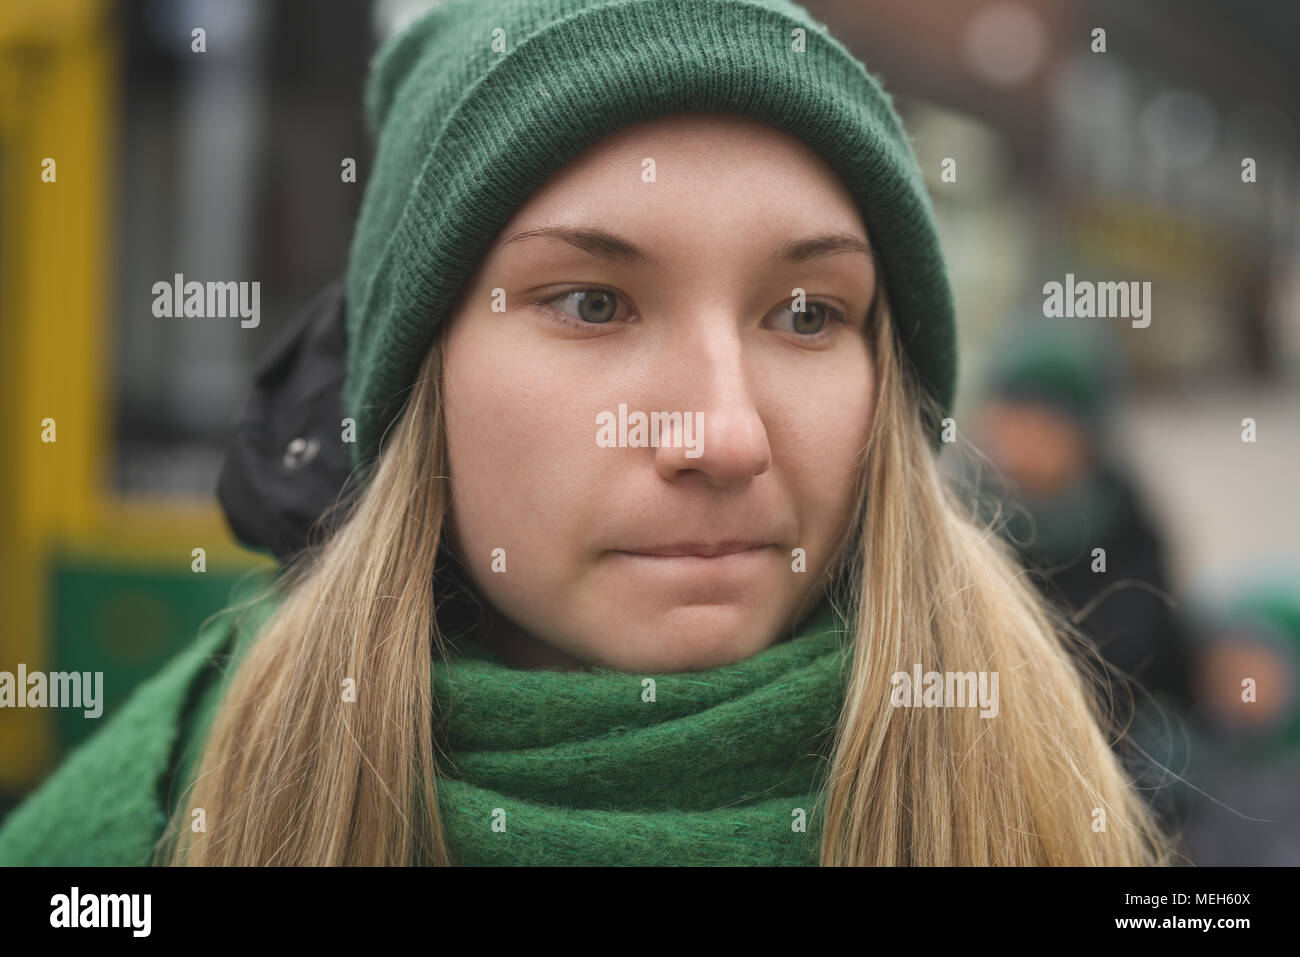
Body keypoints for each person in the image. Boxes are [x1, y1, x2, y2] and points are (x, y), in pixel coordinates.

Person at [0, 0, 1175, 866]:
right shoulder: (141, 829)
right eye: (593, 303)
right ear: (421, 376)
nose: (721, 436)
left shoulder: (1054, 813)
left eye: (808, 314)